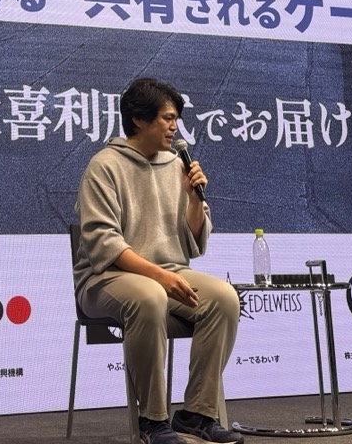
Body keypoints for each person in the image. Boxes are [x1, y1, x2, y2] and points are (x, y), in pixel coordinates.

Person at [73, 77, 243, 444]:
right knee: (149, 295)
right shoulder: (104, 166)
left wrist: (194, 199)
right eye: (167, 118)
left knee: (224, 298)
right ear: (139, 119)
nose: (174, 127)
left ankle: (197, 414)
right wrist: (160, 278)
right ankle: (152, 420)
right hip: (106, 278)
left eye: (176, 119)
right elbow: (104, 243)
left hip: (170, 271)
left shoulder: (176, 165)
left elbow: (194, 242)